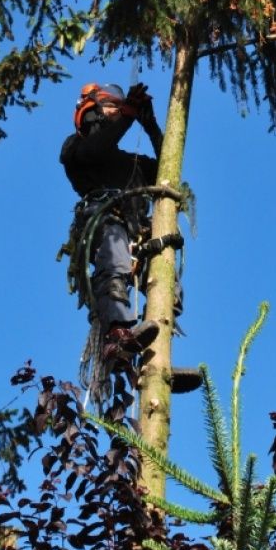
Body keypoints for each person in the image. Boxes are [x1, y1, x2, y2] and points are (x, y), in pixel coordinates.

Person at [60, 80, 200, 393]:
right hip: (106, 219)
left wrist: (149, 124)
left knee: (165, 281)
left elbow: (168, 165)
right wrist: (128, 114)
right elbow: (96, 151)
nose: (116, 113)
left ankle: (157, 360)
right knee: (114, 260)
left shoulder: (129, 162)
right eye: (110, 107)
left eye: (117, 107)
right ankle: (117, 334)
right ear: (91, 112)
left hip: (139, 230)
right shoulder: (75, 146)